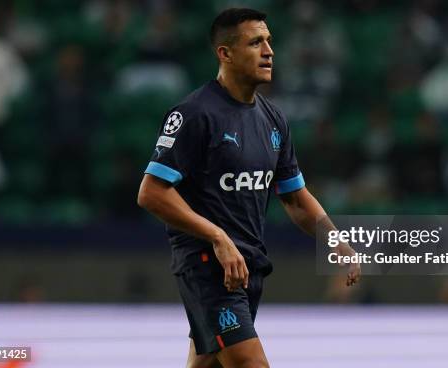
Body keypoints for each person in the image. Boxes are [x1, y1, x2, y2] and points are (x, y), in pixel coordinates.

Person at [137, 8, 361, 368]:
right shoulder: (195, 114)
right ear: (225, 53)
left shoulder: (273, 120)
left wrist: (335, 241)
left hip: (247, 267)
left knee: (208, 362)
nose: (269, 50)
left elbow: (293, 196)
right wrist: (217, 237)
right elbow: (151, 192)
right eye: (256, 42)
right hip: (209, 266)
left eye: (269, 41)